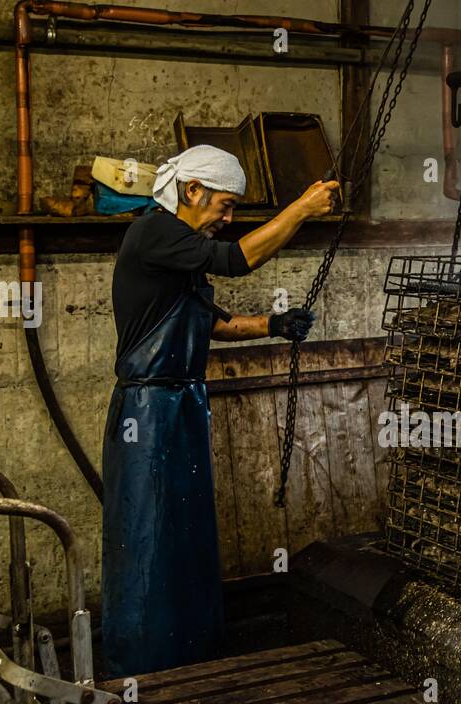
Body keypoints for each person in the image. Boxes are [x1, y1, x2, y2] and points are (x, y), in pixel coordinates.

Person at [102, 144, 339, 677]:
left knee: (184, 536)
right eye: (225, 206)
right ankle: (145, 664)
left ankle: (192, 655)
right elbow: (237, 260)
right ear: (192, 191)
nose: (228, 219)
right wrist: (300, 209)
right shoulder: (154, 232)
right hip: (148, 408)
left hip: (183, 402)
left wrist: (273, 326)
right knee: (148, 535)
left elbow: (212, 322)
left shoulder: (180, 252)